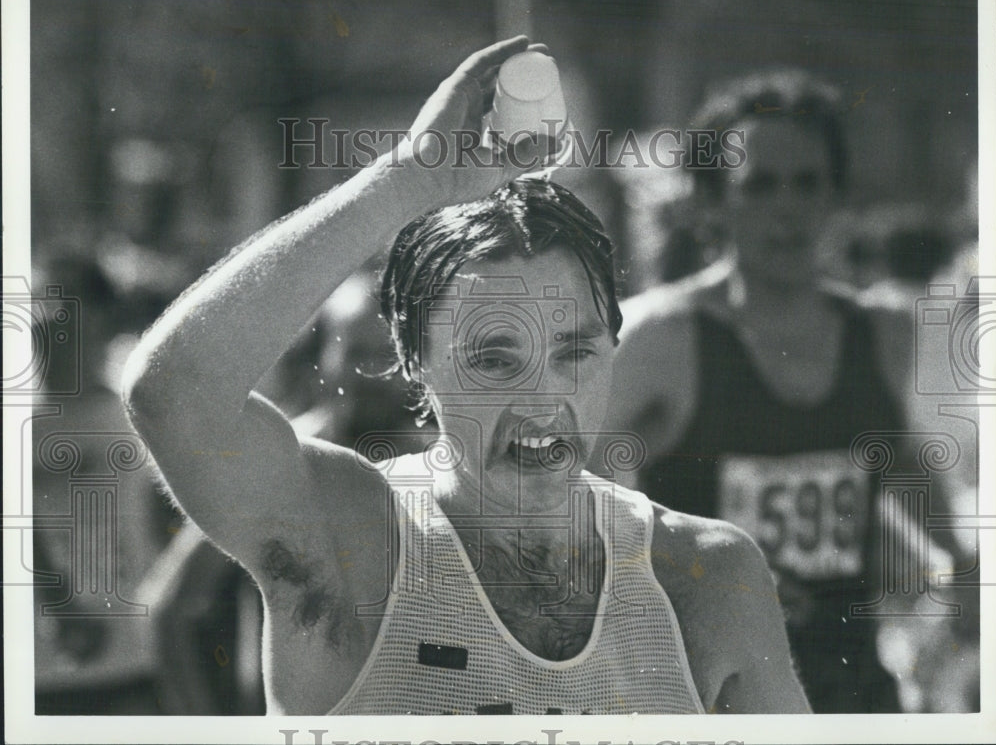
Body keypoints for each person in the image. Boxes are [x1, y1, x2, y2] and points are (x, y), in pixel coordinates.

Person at [122, 37, 809, 715]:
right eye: (493, 360)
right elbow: (173, 392)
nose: (543, 400)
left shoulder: (707, 578)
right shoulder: (352, 541)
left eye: (574, 353)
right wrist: (408, 182)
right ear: (415, 362)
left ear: (614, 345)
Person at [603, 69, 922, 712]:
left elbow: (916, 497)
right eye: (760, 186)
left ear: (836, 198)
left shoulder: (883, 332)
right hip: (707, 700)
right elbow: (574, 510)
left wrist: (960, 574)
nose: (788, 208)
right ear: (713, 204)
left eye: (809, 183)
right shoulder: (659, 338)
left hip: (853, 694)